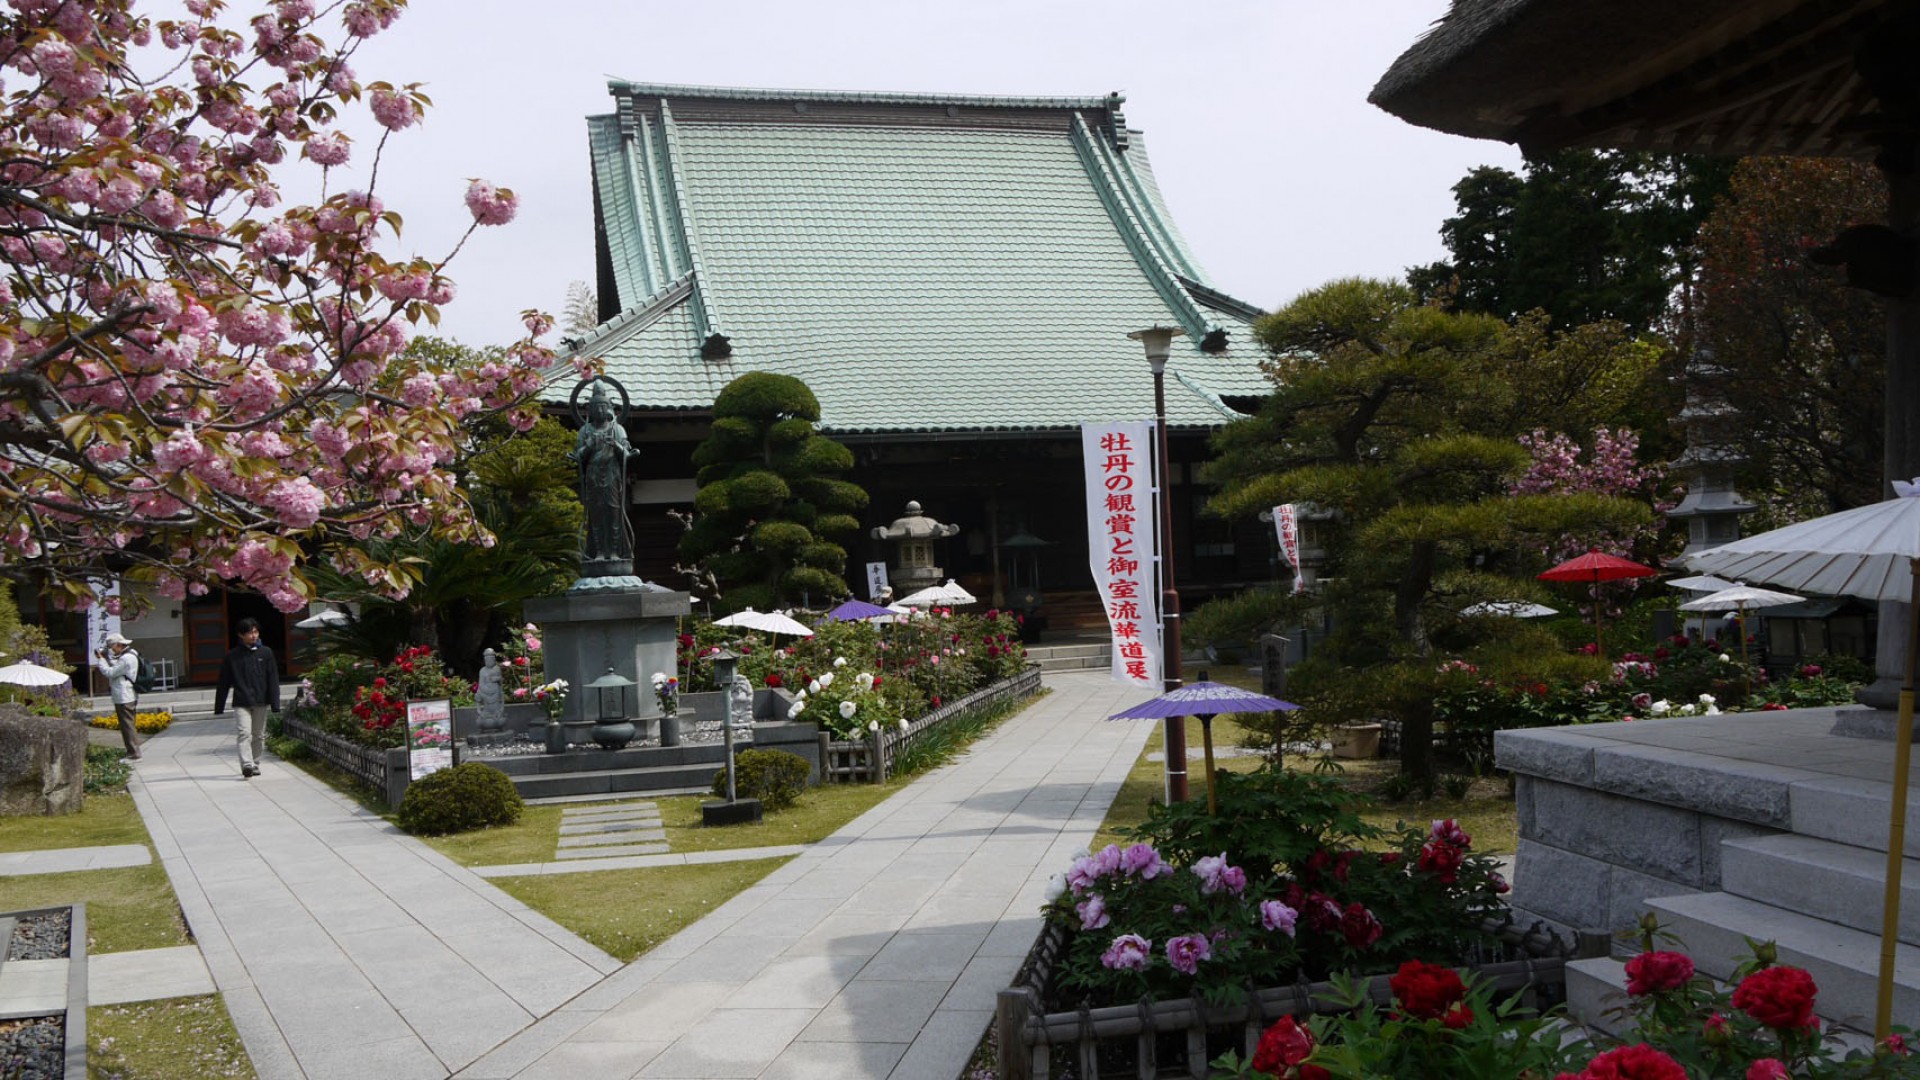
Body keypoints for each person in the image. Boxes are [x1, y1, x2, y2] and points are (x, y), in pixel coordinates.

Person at [568, 379, 635, 568]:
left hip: (612, 475)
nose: (598, 411)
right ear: (589, 410)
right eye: (595, 407)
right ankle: (597, 552)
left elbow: (626, 455)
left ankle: (615, 552)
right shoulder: (585, 430)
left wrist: (616, 445)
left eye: (602, 406)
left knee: (613, 513)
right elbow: (578, 457)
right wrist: (588, 446)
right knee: (596, 515)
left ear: (609, 408)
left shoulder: (617, 429)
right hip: (593, 475)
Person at [214, 617, 280, 779]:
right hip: (241, 701)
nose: (253, 635)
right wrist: (219, 706)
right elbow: (223, 682)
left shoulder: (266, 653)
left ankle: (255, 762)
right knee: (244, 733)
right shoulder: (232, 656)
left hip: (261, 700)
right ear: (240, 635)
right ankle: (247, 764)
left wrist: (275, 703)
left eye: (255, 632)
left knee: (258, 735)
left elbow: (273, 679)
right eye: (250, 633)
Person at [92, 632, 141, 760]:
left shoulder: (126, 658)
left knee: (127, 725)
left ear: (119, 645)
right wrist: (107, 658)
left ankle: (134, 753)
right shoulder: (131, 654)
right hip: (128, 694)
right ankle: (133, 751)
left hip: (124, 696)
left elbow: (110, 672)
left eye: (112, 647)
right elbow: (116, 666)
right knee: (128, 724)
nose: (112, 650)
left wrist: (101, 660)